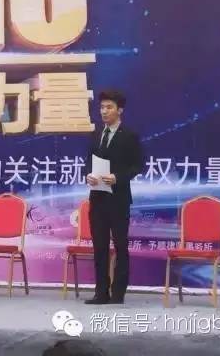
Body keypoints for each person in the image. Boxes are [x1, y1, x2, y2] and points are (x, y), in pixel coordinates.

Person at [85, 90, 143, 304]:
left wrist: (117, 177)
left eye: (109, 107)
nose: (104, 111)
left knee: (120, 246)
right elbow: (88, 162)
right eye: (102, 107)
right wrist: (88, 175)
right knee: (99, 247)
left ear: (120, 110)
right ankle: (101, 292)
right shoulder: (96, 134)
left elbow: (138, 166)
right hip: (97, 199)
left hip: (118, 200)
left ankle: (118, 292)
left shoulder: (129, 135)